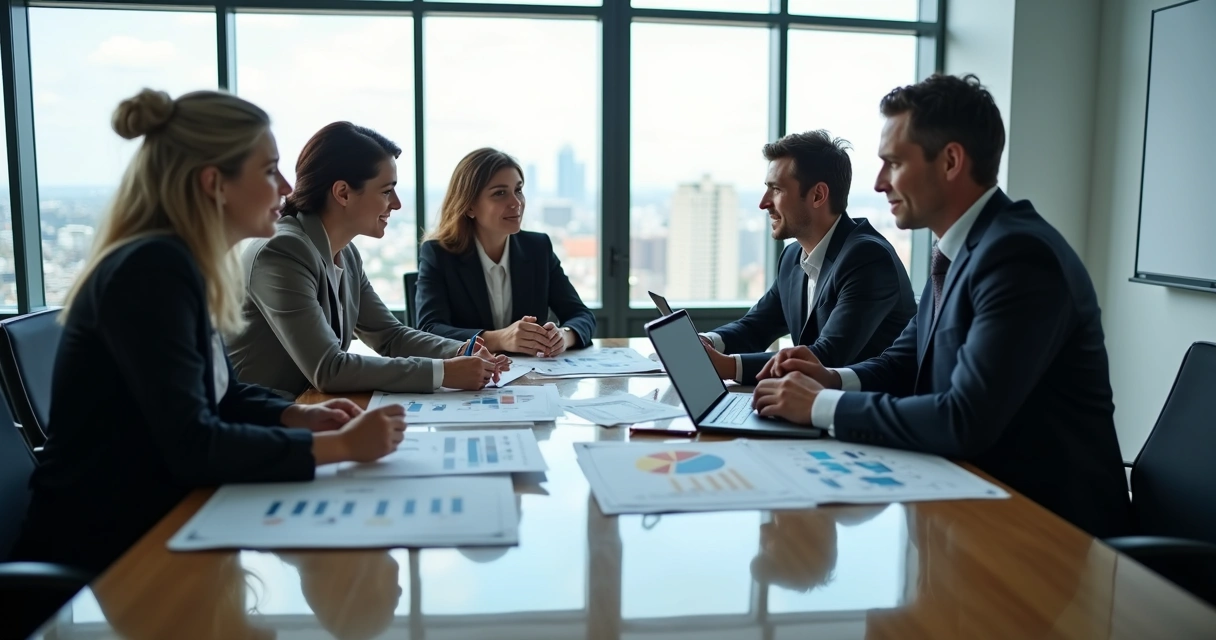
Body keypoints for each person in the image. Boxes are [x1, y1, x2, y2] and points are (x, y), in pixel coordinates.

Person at [12, 90, 407, 577]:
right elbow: (193, 445)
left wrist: (296, 415)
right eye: (270, 170)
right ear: (214, 183)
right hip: (108, 552)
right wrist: (340, 448)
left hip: (157, 520)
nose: (287, 187)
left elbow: (223, 395)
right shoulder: (151, 271)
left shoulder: (182, 265)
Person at [751, 74, 1132, 539]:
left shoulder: (1018, 257)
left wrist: (821, 405)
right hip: (974, 502)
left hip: (1052, 529)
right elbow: (904, 359)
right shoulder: (958, 251)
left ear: (950, 161)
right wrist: (831, 378)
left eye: (893, 163)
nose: (879, 183)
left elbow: (963, 419)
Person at [228, 123, 508, 396]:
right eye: (386, 191)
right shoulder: (282, 251)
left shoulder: (346, 254)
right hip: (259, 418)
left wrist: (461, 351)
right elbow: (329, 369)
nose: (396, 203)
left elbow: (390, 335)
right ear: (343, 193)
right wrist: (443, 372)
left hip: (310, 408)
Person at [701, 131, 915, 384]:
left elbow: (828, 357)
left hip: (863, 405)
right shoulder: (792, 257)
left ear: (817, 195)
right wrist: (706, 342)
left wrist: (728, 367)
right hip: (811, 400)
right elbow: (756, 327)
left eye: (776, 189)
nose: (764, 203)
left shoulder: (867, 258)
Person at [416, 148, 596, 356]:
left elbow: (581, 315)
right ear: (469, 206)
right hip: (470, 373)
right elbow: (429, 330)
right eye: (500, 193)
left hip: (534, 374)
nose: (516, 202)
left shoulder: (538, 248)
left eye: (518, 190)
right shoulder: (438, 254)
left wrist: (563, 336)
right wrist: (500, 339)